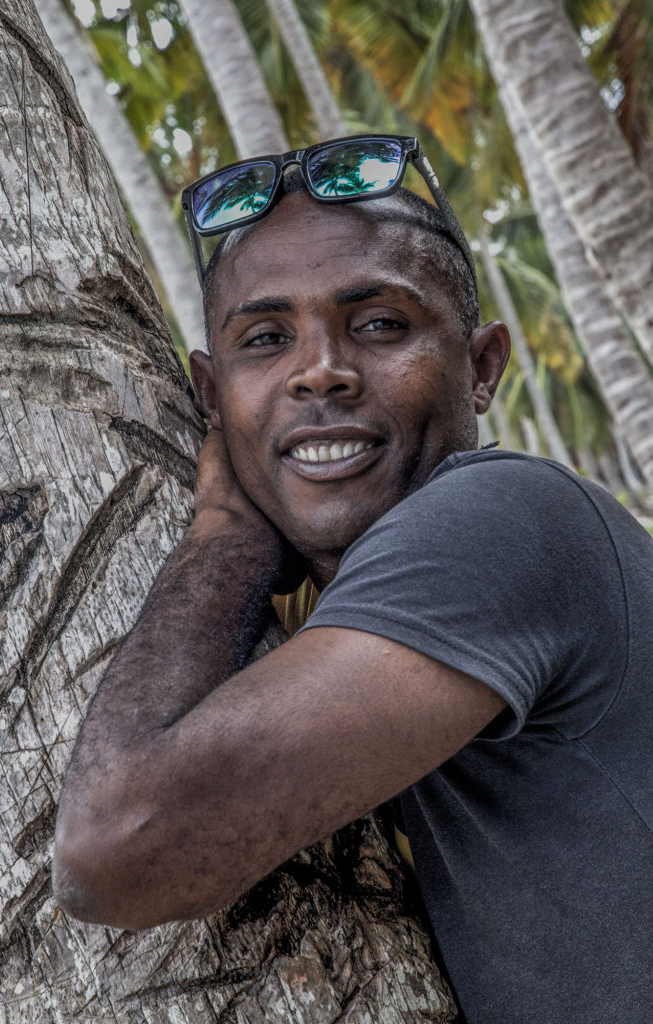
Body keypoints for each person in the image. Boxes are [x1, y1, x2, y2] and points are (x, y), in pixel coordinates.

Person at [53, 135, 653, 1024]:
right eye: (266, 339)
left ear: (482, 367)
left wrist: (224, 531)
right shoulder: (356, 623)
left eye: (380, 325)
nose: (320, 370)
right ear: (212, 398)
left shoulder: (502, 519)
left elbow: (117, 849)